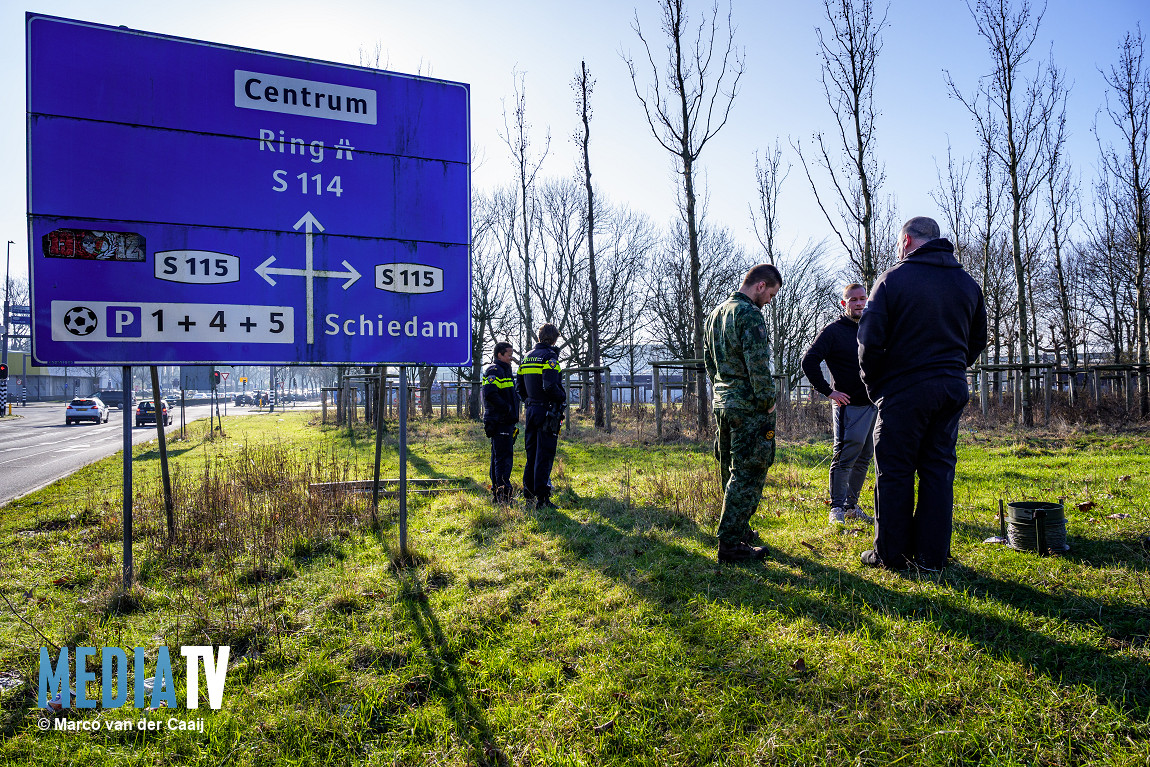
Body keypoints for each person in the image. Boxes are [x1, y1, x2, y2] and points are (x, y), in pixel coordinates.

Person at [857, 216, 988, 571]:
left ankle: (892, 555)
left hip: (903, 390)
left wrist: (874, 386)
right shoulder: (967, 283)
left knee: (895, 471)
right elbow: (978, 338)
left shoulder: (893, 280)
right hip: (950, 388)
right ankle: (932, 556)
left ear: (906, 240)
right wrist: (952, 369)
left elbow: (869, 340)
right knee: (938, 470)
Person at [704, 264, 782, 563]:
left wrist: (722, 390)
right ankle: (731, 545)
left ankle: (737, 528)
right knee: (748, 471)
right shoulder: (749, 314)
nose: (770, 300)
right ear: (760, 285)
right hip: (748, 407)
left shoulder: (716, 313)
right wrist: (768, 401)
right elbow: (758, 364)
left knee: (729, 468)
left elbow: (710, 362)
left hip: (723, 403)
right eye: (771, 294)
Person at [801, 283, 877, 526]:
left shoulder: (873, 327)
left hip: (873, 403)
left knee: (865, 456)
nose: (858, 303)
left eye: (862, 298)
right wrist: (829, 392)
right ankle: (836, 508)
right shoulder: (833, 331)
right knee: (845, 455)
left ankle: (851, 506)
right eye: (853, 299)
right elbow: (809, 361)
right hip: (848, 406)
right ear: (844, 304)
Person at [515, 324, 566, 509]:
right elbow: (550, 386)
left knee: (531, 454)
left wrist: (529, 401)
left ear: (539, 336)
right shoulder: (550, 357)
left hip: (531, 411)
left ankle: (528, 495)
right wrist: (562, 397)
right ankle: (542, 499)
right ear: (553, 339)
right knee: (544, 455)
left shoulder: (526, 358)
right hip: (547, 411)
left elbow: (518, 387)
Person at [482, 342, 520, 504]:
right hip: (500, 421)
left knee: (499, 457)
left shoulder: (505, 371)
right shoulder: (494, 370)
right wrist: (507, 409)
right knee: (503, 459)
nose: (512, 357)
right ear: (499, 355)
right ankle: (503, 495)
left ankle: (498, 493)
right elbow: (490, 393)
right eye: (509, 354)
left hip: (505, 421)